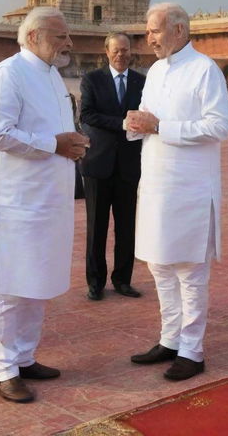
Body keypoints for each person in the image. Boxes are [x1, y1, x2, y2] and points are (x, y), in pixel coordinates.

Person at [0, 7, 90, 403]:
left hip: (49, 200)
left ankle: (24, 357)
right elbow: (1, 134)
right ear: (35, 36)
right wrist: (55, 145)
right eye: (60, 36)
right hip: (16, 202)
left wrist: (71, 143)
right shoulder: (9, 73)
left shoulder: (53, 75)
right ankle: (3, 368)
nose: (68, 43)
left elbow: (54, 131)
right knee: (8, 286)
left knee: (36, 282)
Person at [126, 2, 228, 381]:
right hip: (156, 185)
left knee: (189, 271)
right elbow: (147, 118)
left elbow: (219, 126)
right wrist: (137, 124)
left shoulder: (204, 70)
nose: (149, 38)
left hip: (190, 189)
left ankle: (192, 349)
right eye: (148, 31)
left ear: (179, 31)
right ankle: (169, 339)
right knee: (160, 266)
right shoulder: (154, 71)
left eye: (154, 30)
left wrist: (162, 127)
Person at [80, 32, 145, 301]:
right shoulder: (92, 79)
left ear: (131, 52)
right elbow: (86, 115)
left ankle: (122, 280)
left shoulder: (143, 82)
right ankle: (95, 282)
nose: (121, 55)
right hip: (98, 163)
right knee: (96, 227)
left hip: (129, 164)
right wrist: (120, 123)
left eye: (126, 50)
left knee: (127, 226)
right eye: (116, 50)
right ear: (106, 52)